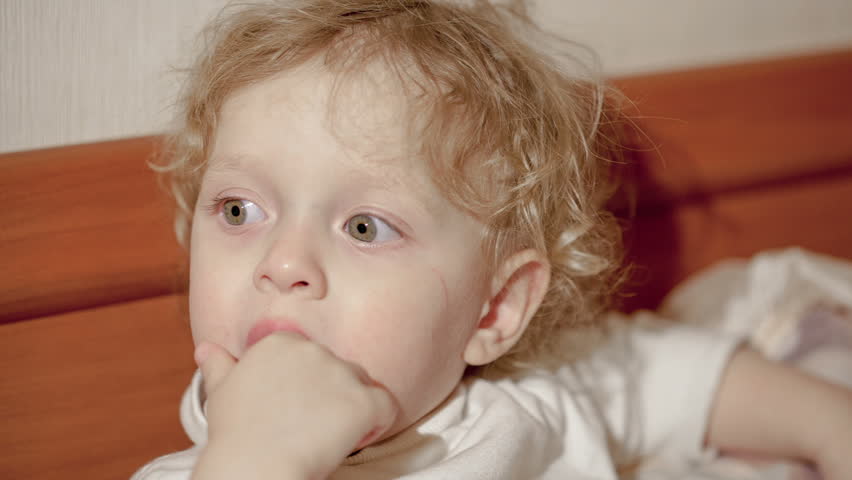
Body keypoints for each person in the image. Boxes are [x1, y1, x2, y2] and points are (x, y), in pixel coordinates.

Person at [133, 1, 852, 479]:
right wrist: (255, 461)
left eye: (363, 227)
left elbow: (672, 380)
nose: (282, 264)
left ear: (495, 309)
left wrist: (828, 428)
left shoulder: (537, 399)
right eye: (237, 212)